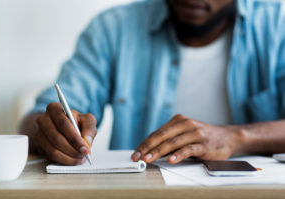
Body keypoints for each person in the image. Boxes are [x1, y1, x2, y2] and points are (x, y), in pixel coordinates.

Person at [20, 0, 285, 166]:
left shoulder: (277, 26)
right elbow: (36, 120)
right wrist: (50, 132)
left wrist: (236, 138)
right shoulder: (114, 28)